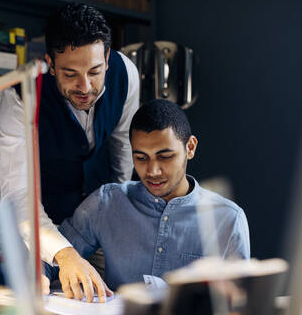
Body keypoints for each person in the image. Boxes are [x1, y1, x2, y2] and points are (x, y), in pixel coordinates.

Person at [0, 3, 139, 301]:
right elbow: (18, 194)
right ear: (49, 62)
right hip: (42, 223)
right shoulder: (19, 94)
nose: (85, 86)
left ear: (108, 59)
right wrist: (62, 253)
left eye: (95, 71)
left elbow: (122, 151)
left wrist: (113, 219)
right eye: (70, 74)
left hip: (99, 220)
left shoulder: (127, 74)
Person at [42, 99, 250, 297]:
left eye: (165, 156)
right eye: (141, 158)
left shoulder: (228, 219)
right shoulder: (107, 202)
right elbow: (50, 256)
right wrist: (40, 276)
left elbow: (239, 302)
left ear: (190, 148)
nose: (153, 171)